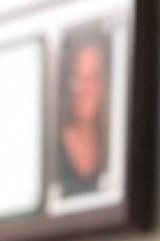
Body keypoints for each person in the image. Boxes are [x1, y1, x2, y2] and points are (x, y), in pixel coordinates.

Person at [57, 28, 109, 197]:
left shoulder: (114, 144)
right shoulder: (54, 149)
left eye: (93, 77)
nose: (86, 88)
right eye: (78, 77)